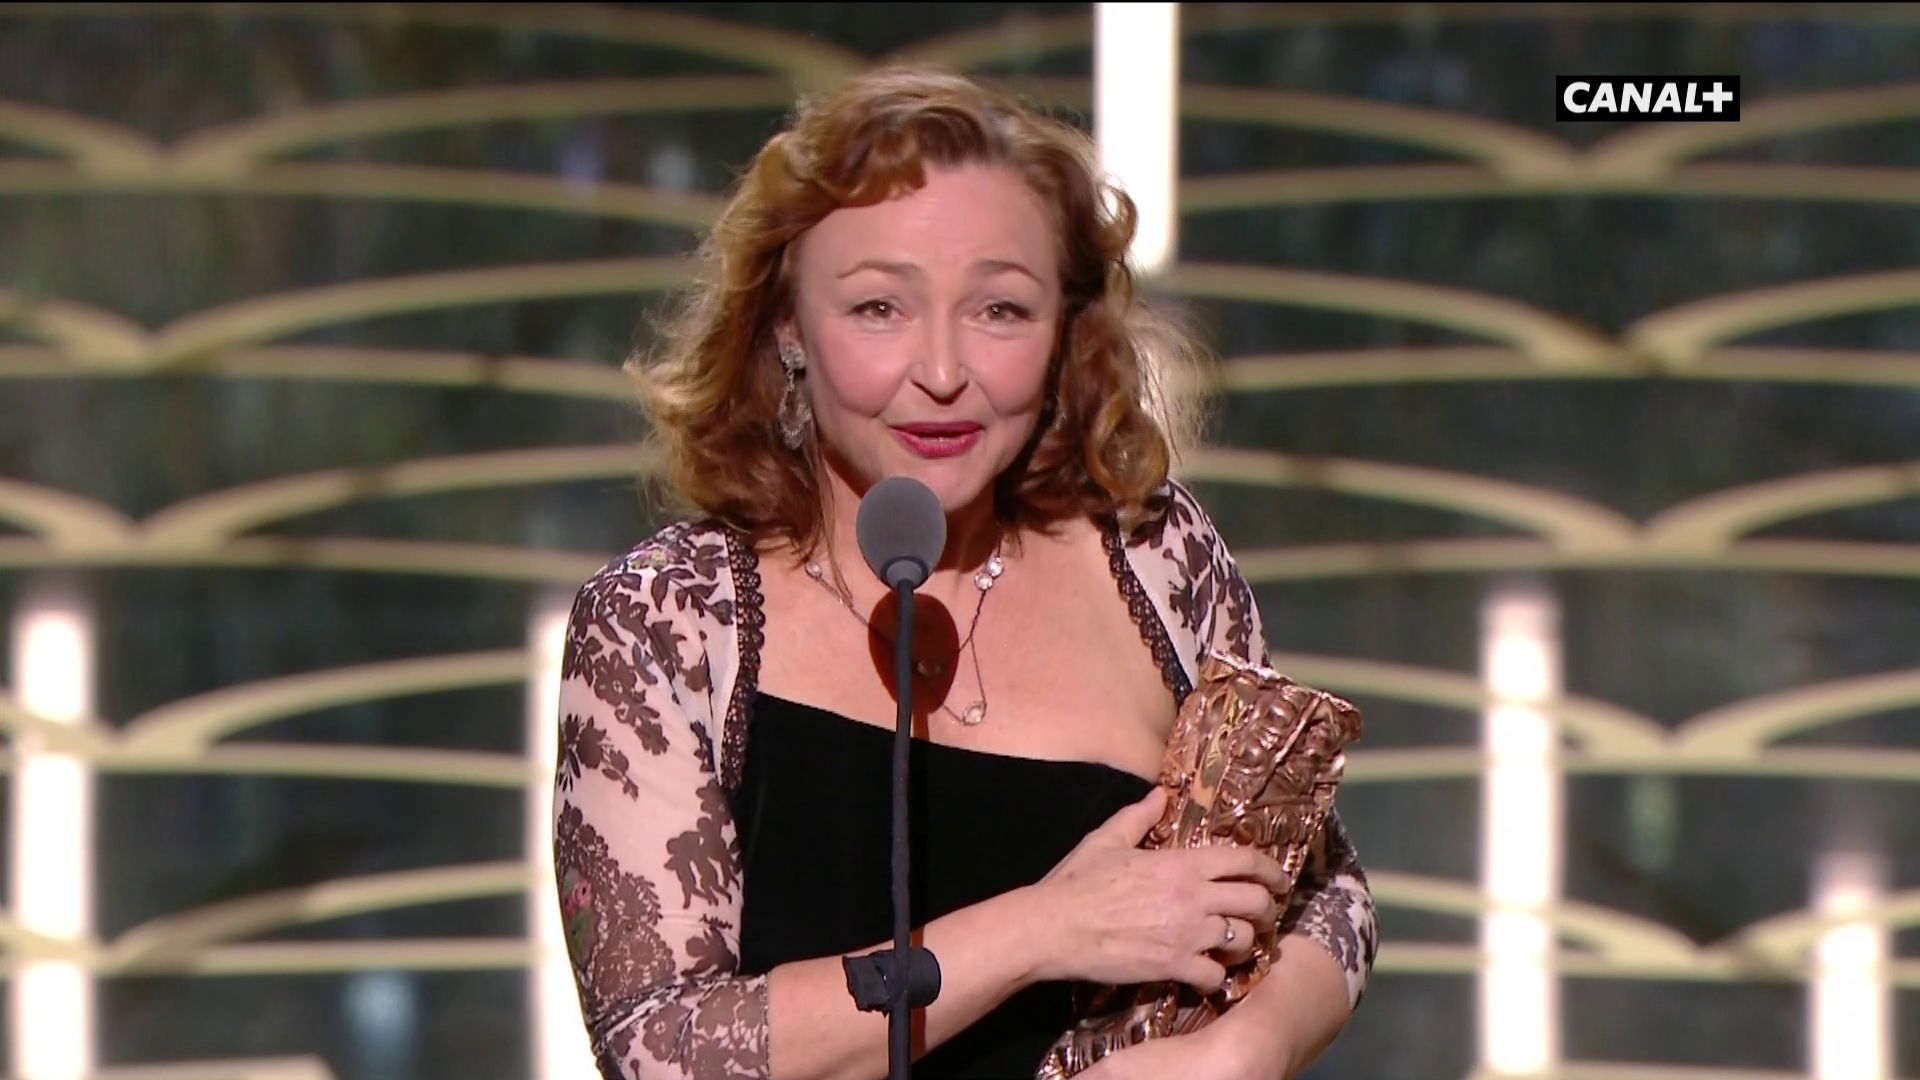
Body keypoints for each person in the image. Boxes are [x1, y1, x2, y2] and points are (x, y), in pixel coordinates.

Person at [552, 64, 1377, 1080]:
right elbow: (661, 1049)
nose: (943, 372)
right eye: (878, 308)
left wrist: (1247, 1049)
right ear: (786, 326)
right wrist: (1044, 927)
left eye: (1000, 311)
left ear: (1067, 327)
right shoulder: (661, 622)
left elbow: (1325, 890)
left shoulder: (1154, 553)